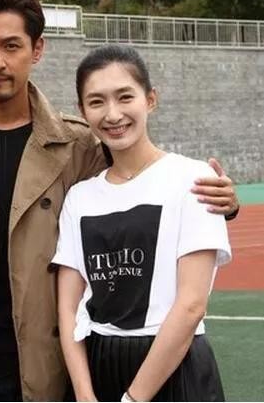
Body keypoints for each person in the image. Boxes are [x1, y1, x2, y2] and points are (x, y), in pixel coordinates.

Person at [0, 0, 239, 402]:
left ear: (37, 49)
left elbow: (135, 185)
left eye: (11, 46)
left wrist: (223, 202)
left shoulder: (77, 144)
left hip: (47, 362)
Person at [53, 44, 232, 402]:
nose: (113, 114)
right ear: (82, 111)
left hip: (176, 365)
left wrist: (134, 398)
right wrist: (84, 394)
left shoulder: (193, 179)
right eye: (97, 101)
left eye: (125, 97)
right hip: (99, 364)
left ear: (150, 100)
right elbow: (68, 308)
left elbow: (191, 304)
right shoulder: (79, 197)